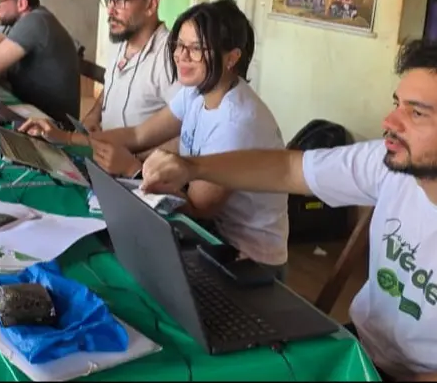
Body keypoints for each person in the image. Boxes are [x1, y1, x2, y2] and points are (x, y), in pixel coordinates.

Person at [140, 39, 437, 382]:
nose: (390, 121)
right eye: (397, 104)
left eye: (417, 113)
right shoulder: (387, 164)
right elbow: (288, 169)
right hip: (357, 349)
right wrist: (192, 167)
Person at [24, 0, 289, 271]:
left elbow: (198, 208)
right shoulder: (197, 91)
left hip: (245, 260)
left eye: (196, 49)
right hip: (206, 236)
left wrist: (134, 170)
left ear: (231, 58)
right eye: (179, 45)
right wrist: (66, 138)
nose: (181, 56)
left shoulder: (236, 123)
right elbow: (138, 135)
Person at [86, 0, 179, 131]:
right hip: (103, 145)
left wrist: (136, 147)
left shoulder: (171, 57)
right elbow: (112, 85)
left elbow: (186, 124)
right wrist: (94, 115)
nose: (110, 11)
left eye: (120, 1)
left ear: (151, 5)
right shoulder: (122, 38)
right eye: (109, 0)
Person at [0, 0, 80, 124]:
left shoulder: (35, 22)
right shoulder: (30, 19)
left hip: (53, 128)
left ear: (21, 4)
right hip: (34, 115)